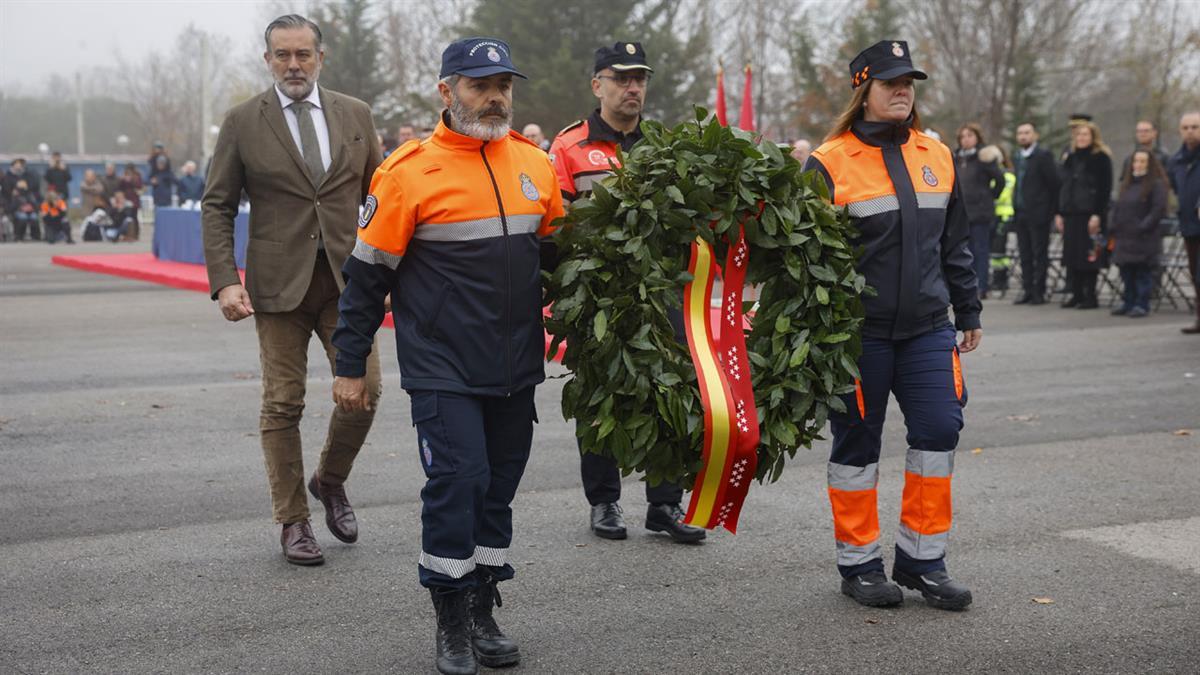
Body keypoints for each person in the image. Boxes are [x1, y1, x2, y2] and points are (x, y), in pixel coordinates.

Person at [331, 37, 563, 675]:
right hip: (443, 368)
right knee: (457, 484)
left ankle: (485, 605)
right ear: (446, 91)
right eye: (478, 84)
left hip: (516, 366)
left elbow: (561, 260)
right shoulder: (405, 172)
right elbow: (365, 281)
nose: (493, 96)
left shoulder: (535, 165)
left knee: (497, 490)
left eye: (503, 85)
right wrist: (349, 365)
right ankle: (452, 618)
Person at [202, 13, 384, 566]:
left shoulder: (356, 114)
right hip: (276, 288)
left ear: (320, 57)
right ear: (268, 60)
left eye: (303, 54)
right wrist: (225, 281)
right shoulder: (242, 121)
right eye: (282, 55)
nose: (294, 64)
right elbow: (217, 205)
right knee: (283, 404)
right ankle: (293, 522)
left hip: (348, 282)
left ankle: (330, 479)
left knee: (366, 391)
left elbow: (379, 196)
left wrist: (392, 272)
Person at [804, 40, 981, 611]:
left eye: (909, 82)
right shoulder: (829, 161)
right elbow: (806, 260)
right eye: (890, 82)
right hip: (859, 335)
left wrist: (969, 309)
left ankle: (923, 560)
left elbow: (954, 242)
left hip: (930, 327)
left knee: (939, 431)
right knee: (857, 443)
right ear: (864, 90)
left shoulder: (938, 152)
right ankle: (858, 564)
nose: (903, 90)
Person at [548, 42, 707, 545]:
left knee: (671, 390)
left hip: (662, 294)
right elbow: (556, 226)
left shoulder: (664, 145)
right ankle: (604, 502)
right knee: (601, 397)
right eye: (622, 78)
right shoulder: (569, 147)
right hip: (600, 298)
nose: (633, 87)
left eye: (640, 78)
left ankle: (664, 503)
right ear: (598, 85)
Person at [1054, 121, 1113, 310]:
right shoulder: (1069, 157)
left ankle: (1090, 296)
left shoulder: (1101, 157)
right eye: (1079, 135)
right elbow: (1061, 186)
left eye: (1085, 135)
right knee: (1072, 256)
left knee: (1089, 256)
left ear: (1093, 137)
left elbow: (1105, 188)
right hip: (1071, 213)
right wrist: (1059, 212)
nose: (1081, 138)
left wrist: (1097, 213)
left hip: (1090, 214)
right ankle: (1076, 294)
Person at [1110, 150, 1168, 318]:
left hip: (1143, 237)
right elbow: (1118, 206)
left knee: (1142, 273)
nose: (1139, 165)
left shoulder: (1156, 184)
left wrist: (1144, 226)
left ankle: (1141, 304)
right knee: (1126, 272)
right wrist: (1113, 224)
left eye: (1143, 161)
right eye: (1136, 161)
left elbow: (1158, 210)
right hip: (1125, 236)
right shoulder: (1127, 184)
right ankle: (1128, 301)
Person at [1011, 122, 1061, 305]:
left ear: (1035, 135)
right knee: (1025, 253)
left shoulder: (1043, 156)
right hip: (1021, 212)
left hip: (1038, 213)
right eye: (1020, 133)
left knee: (1039, 253)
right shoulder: (1018, 157)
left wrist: (1052, 210)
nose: (1023, 136)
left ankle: (1039, 291)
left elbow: (1054, 183)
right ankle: (1027, 290)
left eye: (1027, 133)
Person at [955, 123, 1004, 300]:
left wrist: (990, 196)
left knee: (980, 250)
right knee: (962, 252)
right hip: (961, 212)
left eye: (970, 135)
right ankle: (965, 286)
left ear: (977, 138)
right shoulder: (956, 158)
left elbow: (1000, 180)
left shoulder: (984, 158)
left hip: (980, 212)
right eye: (963, 136)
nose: (966, 139)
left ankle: (981, 286)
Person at [1167, 111, 1200, 334]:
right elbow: (1176, 189)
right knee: (1195, 274)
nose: (1190, 131)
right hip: (1189, 225)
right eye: (1186, 127)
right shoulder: (1176, 160)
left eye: (1195, 127)